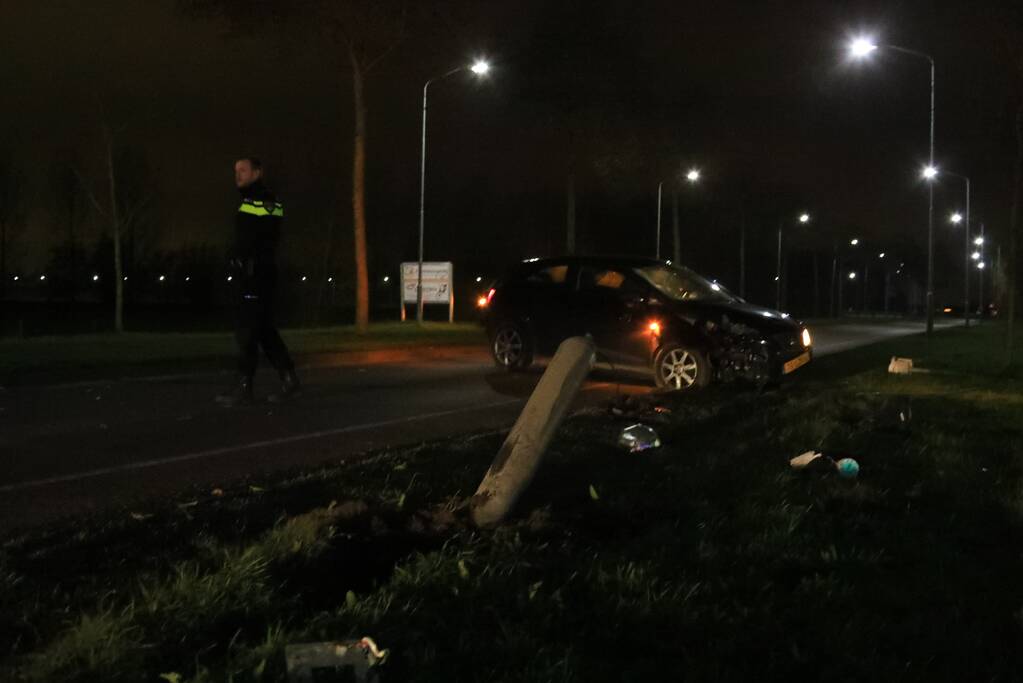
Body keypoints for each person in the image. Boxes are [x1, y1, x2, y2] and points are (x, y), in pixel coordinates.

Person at [216, 156, 300, 406]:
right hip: (255, 274)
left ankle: (245, 385)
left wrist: (241, 260)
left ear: (257, 173)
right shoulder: (252, 201)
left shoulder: (262, 201)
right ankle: (289, 378)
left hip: (255, 275)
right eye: (236, 170)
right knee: (263, 329)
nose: (238, 175)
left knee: (248, 330)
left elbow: (258, 239)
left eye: (243, 170)